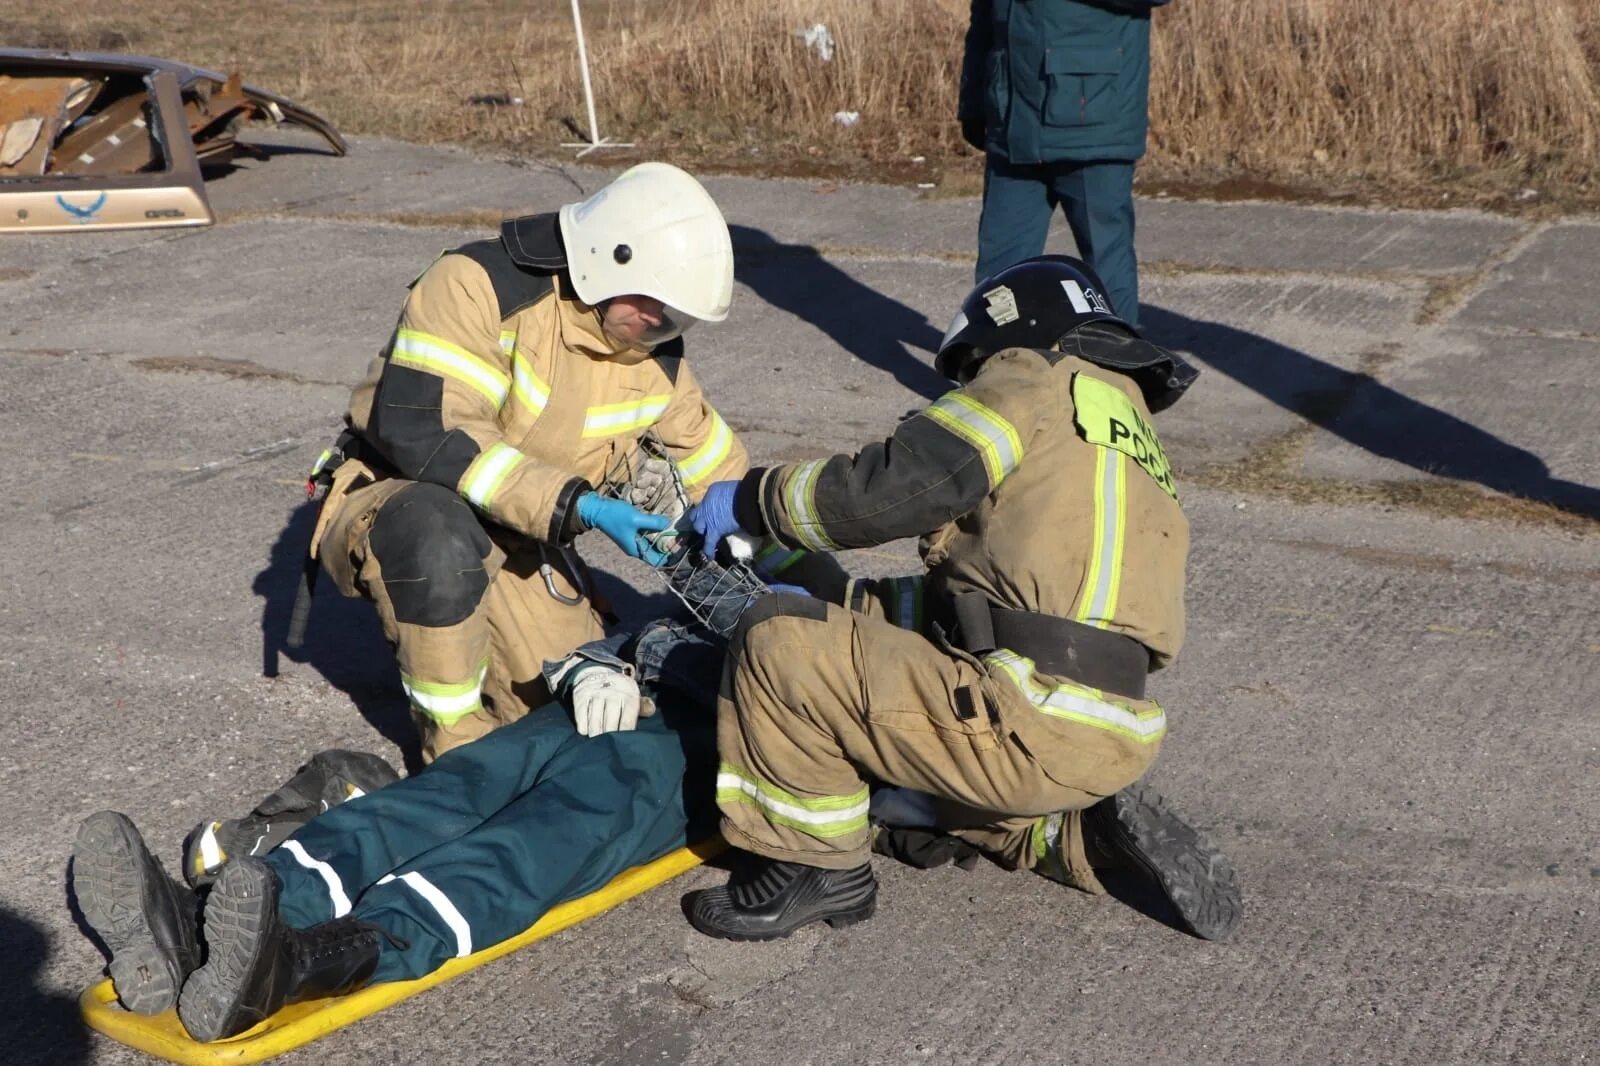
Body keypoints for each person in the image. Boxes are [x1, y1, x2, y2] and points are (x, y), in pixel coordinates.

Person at [681, 254, 1242, 942]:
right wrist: (835, 594)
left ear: (1011, 329)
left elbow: (904, 485)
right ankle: (1060, 836)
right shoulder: (1117, 426)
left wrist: (750, 499)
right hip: (1108, 729)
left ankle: (812, 867)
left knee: (775, 644)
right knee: (891, 761)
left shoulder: (1027, 374)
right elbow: (984, 606)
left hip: (1028, 716)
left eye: (971, 370)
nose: (970, 388)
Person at [70, 581, 767, 1040]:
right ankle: (203, 930)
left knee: (530, 845)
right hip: (618, 700)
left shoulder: (865, 633)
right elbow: (661, 625)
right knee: (441, 795)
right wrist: (597, 665)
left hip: (701, 755)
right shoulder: (787, 584)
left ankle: (296, 965)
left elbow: (871, 766)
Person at [302, 160, 750, 763]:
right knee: (435, 532)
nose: (660, 325)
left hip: (522, 532)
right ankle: (453, 751)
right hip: (399, 497)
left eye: (675, 316)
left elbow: (710, 458)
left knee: (574, 704)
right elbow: (429, 431)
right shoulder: (477, 286)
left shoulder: (648, 351)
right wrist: (581, 504)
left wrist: (766, 547)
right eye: (654, 304)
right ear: (606, 258)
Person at [960, 0, 1169, 327]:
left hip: (1093, 123)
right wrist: (972, 100)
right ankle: (1000, 369)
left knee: (1105, 269)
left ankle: (1117, 369)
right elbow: (984, 15)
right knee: (1000, 277)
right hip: (1013, 124)